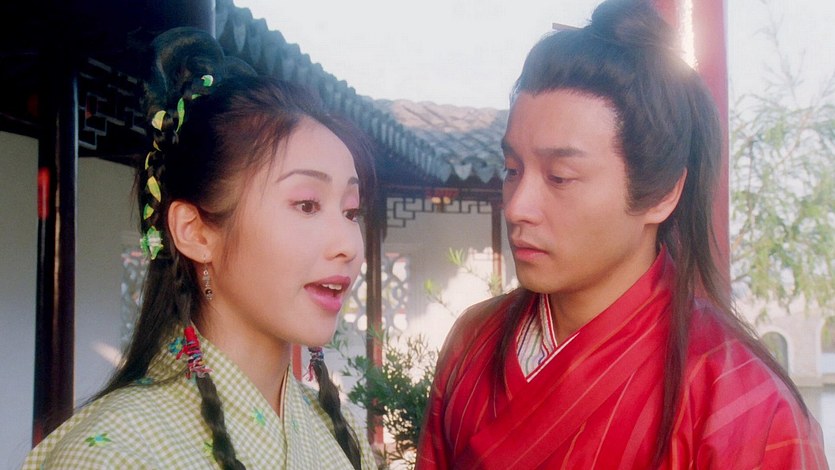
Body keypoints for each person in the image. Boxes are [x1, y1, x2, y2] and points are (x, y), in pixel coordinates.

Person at [416, 0, 828, 468]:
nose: (516, 207)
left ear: (662, 194)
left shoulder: (742, 404)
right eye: (512, 169)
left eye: (560, 177)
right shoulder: (474, 341)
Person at [25, 28, 377, 469]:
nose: (348, 245)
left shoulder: (339, 434)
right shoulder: (112, 455)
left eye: (350, 211)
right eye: (307, 204)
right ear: (194, 232)